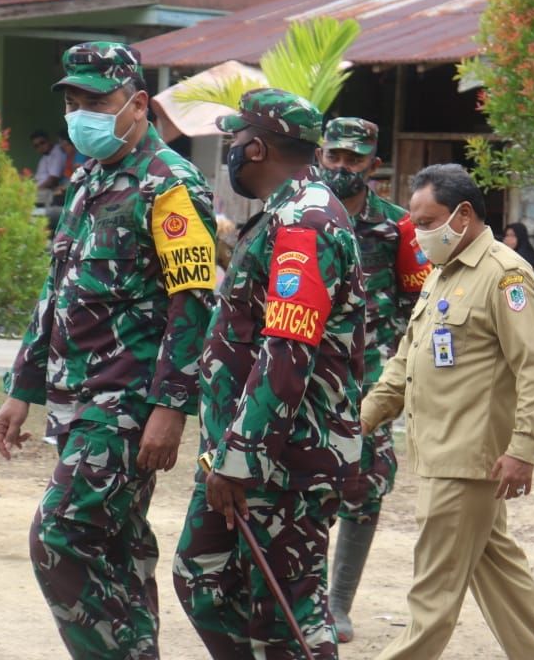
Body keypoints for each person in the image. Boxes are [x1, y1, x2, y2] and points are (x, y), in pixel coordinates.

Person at [0, 42, 218, 660]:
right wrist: (23, 388)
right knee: (113, 545)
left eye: (97, 99)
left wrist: (171, 408)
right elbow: (58, 285)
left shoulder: (171, 185)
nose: (81, 111)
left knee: (59, 534)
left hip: (127, 405)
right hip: (76, 399)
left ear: (138, 103)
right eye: (74, 100)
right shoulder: (90, 177)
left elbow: (193, 301)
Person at [173, 88, 364, 660]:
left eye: (233, 140)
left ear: (254, 147)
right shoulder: (281, 216)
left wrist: (240, 460)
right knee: (204, 578)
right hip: (249, 454)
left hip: (285, 461)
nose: (230, 150)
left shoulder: (304, 222)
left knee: (286, 611)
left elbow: (287, 352)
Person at [360, 163, 534, 660]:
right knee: (504, 585)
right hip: (443, 456)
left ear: (464, 214)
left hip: (465, 461)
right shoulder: (441, 276)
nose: (420, 234)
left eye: (428, 222)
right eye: (416, 224)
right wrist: (358, 421)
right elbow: (405, 363)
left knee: (431, 602)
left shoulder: (503, 275)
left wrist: (524, 449)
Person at [315, 116, 430, 643]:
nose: (342, 167)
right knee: (304, 484)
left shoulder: (398, 227)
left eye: (353, 160)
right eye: (334, 156)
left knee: (367, 485)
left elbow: (421, 306)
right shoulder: (302, 215)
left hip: (371, 382)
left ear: (372, 165)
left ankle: (338, 604)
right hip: (308, 375)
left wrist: (405, 375)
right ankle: (307, 598)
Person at [504, 221, 534, 300]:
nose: (508, 239)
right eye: (506, 235)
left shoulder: (523, 257)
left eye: (512, 236)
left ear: (521, 237)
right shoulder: (511, 255)